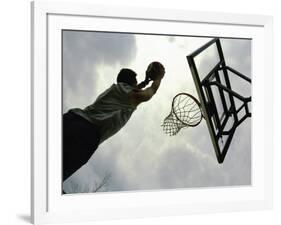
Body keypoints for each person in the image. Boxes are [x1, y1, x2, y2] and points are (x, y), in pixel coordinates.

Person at [63, 61, 165, 182]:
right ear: (131, 82)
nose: (137, 84)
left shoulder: (116, 90)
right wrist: (158, 78)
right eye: (136, 82)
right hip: (86, 134)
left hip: (71, 119)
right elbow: (147, 94)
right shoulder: (128, 93)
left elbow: (134, 89)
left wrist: (145, 82)